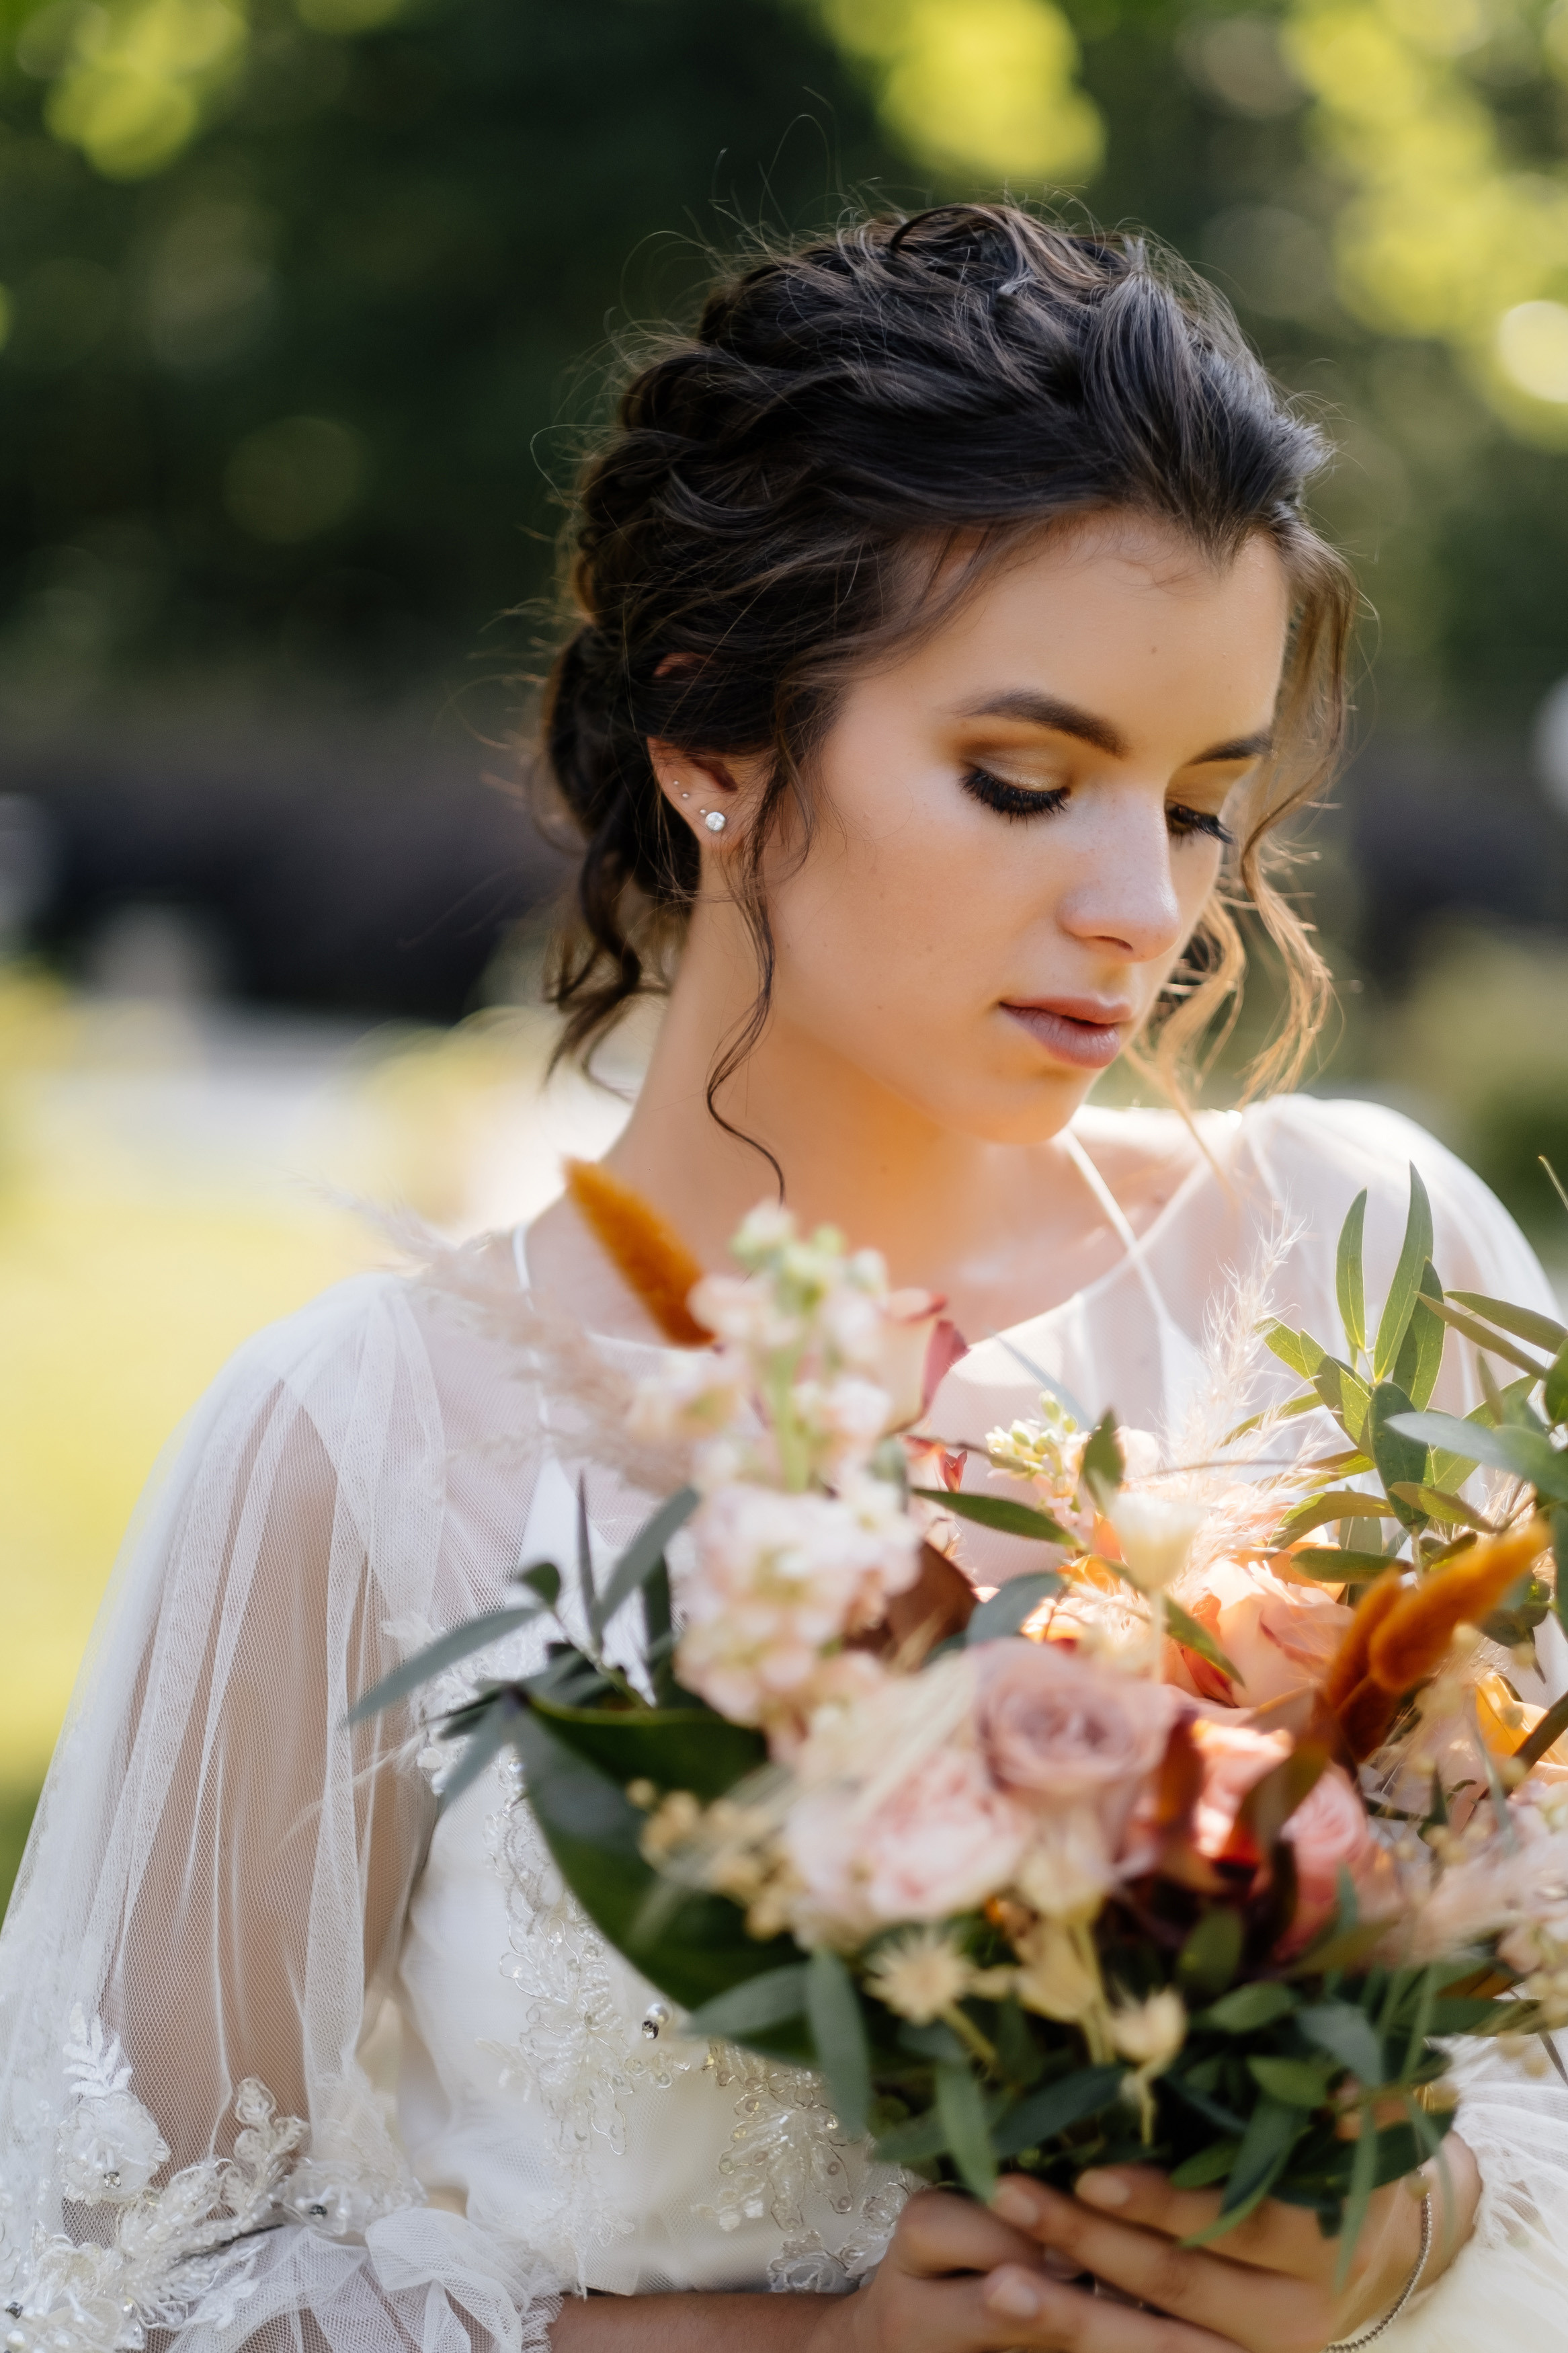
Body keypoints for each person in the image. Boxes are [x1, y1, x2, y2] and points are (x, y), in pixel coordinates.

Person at [0, 206, 1563, 2353]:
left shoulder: (1362, 1251)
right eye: (1026, 779)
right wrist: (798, 2347)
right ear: (712, 738)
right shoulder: (361, 1441)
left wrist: (1400, 2216)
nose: (1144, 906)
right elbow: (113, 2288)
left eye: (1205, 806)